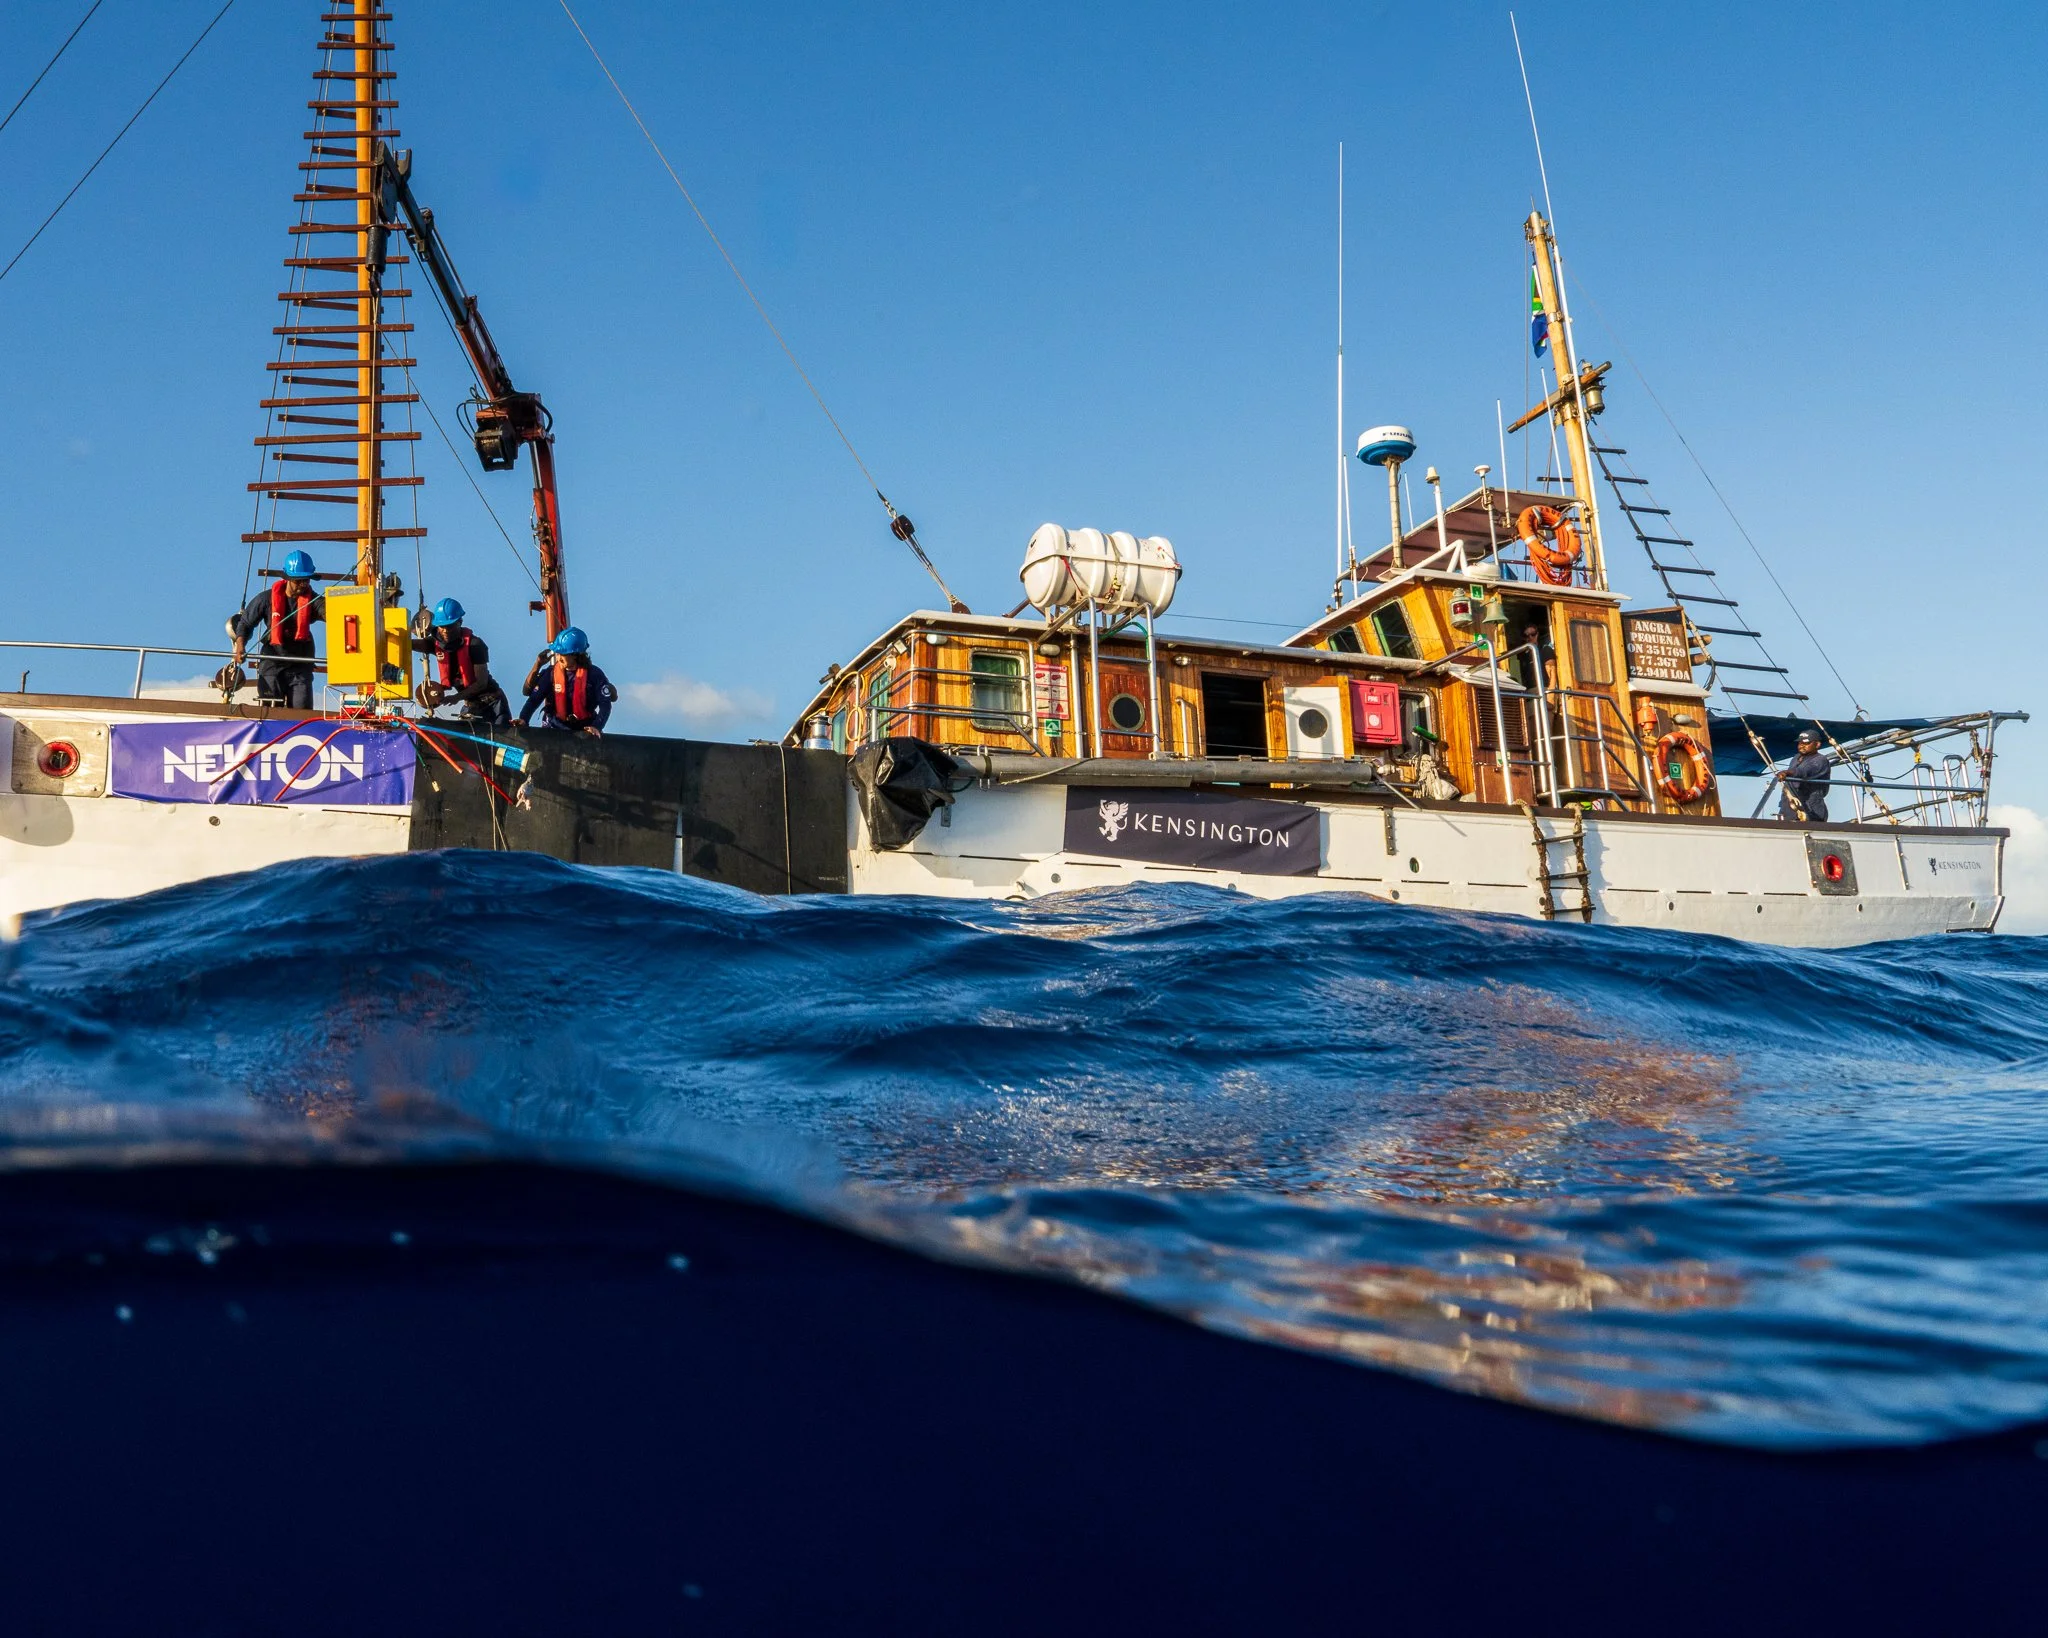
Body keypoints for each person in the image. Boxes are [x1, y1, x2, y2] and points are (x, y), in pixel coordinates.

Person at [228, 549, 324, 710]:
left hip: (300, 666)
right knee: (270, 712)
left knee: (301, 713)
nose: (303, 585)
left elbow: (331, 612)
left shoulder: (313, 601)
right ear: (288, 579)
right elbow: (245, 624)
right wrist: (240, 646)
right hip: (272, 664)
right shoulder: (265, 599)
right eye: (299, 581)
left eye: (306, 580)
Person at [410, 598, 511, 725]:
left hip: (493, 704)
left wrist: (456, 697)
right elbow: (410, 644)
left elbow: (481, 683)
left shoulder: (475, 645)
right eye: (442, 627)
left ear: (460, 622)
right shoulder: (434, 644)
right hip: (471, 705)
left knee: (500, 740)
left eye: (450, 626)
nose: (445, 631)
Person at [520, 626, 616, 735]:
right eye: (558, 653)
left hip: (584, 728)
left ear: (576, 655)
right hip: (554, 727)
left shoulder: (594, 675)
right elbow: (533, 700)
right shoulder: (551, 673)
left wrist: (596, 726)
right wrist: (524, 719)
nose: (559, 657)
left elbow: (605, 705)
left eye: (563, 654)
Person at [1780, 729, 1832, 822]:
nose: (1801, 745)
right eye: (1800, 743)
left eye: (1806, 743)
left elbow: (1804, 772)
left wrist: (1787, 772)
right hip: (1790, 808)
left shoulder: (1821, 760)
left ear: (1817, 745)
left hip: (1811, 810)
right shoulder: (1795, 758)